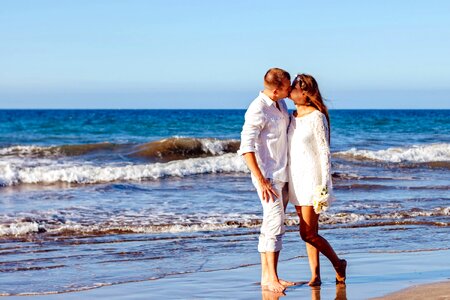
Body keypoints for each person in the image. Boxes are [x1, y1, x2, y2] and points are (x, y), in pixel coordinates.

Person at [287, 74, 347, 286]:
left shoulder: (317, 117)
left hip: (312, 180)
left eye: (293, 87)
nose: (289, 90)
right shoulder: (290, 116)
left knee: (307, 233)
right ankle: (316, 275)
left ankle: (339, 263)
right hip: (295, 179)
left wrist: (324, 184)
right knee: (310, 232)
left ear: (305, 92)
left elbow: (324, 152)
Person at [238, 68, 294, 293]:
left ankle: (269, 277)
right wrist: (261, 180)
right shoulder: (257, 109)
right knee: (273, 224)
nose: (291, 90)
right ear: (277, 89)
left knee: (275, 225)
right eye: (288, 87)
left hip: (283, 173)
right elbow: (246, 148)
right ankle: (270, 278)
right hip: (268, 177)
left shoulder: (281, 105)